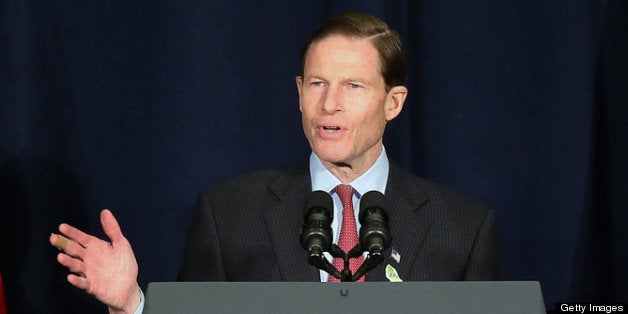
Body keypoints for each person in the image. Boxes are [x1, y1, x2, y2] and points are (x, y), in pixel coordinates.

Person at [50, 11, 499, 313]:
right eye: (317, 83)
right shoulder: (228, 213)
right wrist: (132, 303)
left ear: (393, 103)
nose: (329, 105)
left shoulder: (462, 227)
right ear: (298, 92)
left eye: (353, 87)